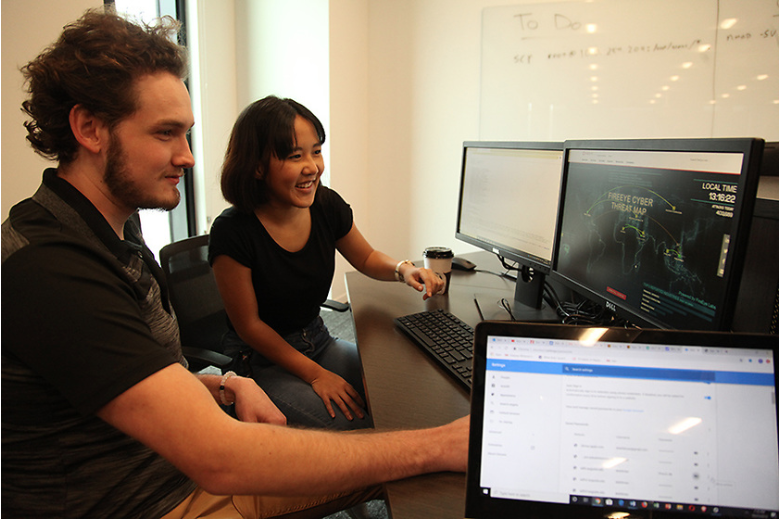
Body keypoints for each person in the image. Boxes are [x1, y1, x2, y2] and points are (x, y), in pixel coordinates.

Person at [0, 9, 467, 519]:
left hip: (173, 471)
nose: (188, 157)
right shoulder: (52, 267)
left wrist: (224, 382)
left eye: (187, 134)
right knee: (403, 454)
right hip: (152, 501)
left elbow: (133, 377)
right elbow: (220, 457)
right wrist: (434, 446)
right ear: (89, 128)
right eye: (165, 134)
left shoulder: (113, 233)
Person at [209, 96, 445, 430]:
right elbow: (250, 326)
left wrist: (404, 269)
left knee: (398, 397)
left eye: (316, 151)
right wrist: (318, 376)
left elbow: (364, 256)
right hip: (260, 361)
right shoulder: (232, 232)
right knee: (358, 427)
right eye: (295, 156)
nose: (313, 167)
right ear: (258, 166)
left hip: (318, 340)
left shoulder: (324, 204)